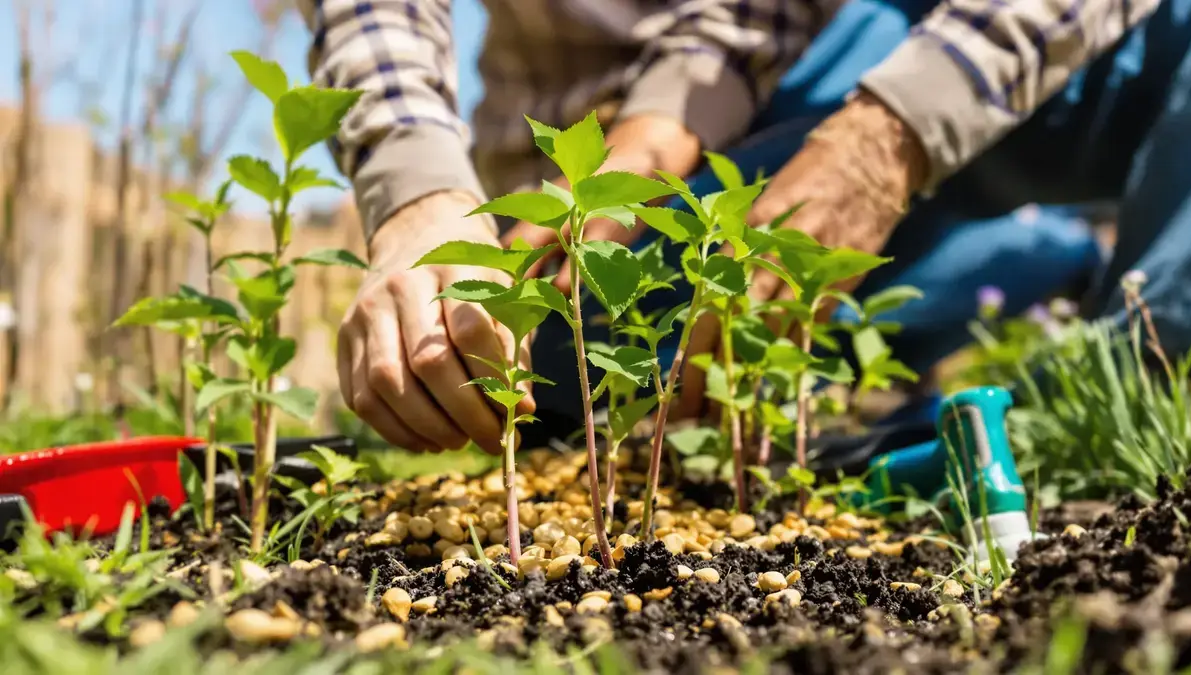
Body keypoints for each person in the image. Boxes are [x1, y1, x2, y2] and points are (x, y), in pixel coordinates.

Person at [300, 0, 1143, 452]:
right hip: (627, 177)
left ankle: (1144, 374)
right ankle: (1038, 261)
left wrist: (891, 134)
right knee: (541, 363)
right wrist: (418, 193)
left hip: (845, 75)